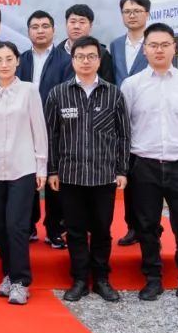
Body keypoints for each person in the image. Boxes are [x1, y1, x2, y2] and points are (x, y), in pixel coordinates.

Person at [122, 22, 178, 308]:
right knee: (147, 225)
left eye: (164, 45)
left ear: (175, 48)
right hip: (143, 164)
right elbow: (124, 125)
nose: (159, 50)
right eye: (153, 45)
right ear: (145, 50)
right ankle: (153, 279)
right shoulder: (132, 85)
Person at [45, 36, 130, 303]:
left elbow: (123, 135)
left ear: (99, 60)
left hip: (104, 176)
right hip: (70, 175)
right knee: (75, 230)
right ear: (72, 61)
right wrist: (52, 170)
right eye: (80, 56)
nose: (85, 61)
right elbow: (51, 135)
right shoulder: (58, 94)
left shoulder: (113, 93)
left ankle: (102, 279)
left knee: (103, 230)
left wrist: (122, 170)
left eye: (91, 56)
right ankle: (80, 279)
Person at [0, 42, 49, 306]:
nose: (4, 64)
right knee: (1, 226)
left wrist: (41, 166)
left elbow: (39, 129)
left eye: (9, 59)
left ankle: (21, 281)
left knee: (17, 225)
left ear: (18, 61)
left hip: (22, 167)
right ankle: (8, 274)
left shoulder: (29, 90)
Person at [16, 10, 73, 250]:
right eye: (35, 27)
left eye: (45, 26)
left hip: (55, 127)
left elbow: (68, 92)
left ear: (53, 30)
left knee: (54, 178)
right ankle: (27, 226)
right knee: (26, 177)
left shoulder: (66, 60)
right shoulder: (20, 59)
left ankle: (54, 229)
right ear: (28, 31)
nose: (40, 31)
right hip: (24, 128)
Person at [109, 0, 151, 247]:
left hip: (147, 117)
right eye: (127, 11)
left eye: (137, 11)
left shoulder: (154, 43)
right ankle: (132, 227)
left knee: (146, 178)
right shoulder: (115, 45)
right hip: (119, 118)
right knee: (127, 174)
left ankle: (149, 228)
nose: (132, 15)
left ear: (147, 14)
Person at [62, 4, 115, 85]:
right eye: (72, 22)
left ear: (91, 26)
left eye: (82, 22)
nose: (76, 26)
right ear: (66, 24)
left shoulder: (102, 54)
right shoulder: (57, 53)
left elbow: (109, 86)